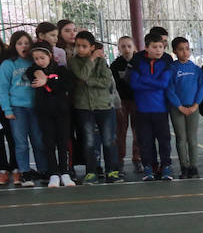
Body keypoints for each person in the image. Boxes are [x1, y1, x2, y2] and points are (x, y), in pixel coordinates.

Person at [68, 30, 119, 184]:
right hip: (84, 107)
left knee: (109, 140)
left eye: (84, 46)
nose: (80, 49)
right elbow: (82, 75)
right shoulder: (73, 61)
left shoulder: (102, 61)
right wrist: (91, 60)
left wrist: (89, 82)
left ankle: (112, 171)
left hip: (104, 106)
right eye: (78, 46)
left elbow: (106, 82)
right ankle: (91, 171)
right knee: (89, 142)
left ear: (92, 47)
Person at [126, 34, 175, 182]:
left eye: (161, 47)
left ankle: (166, 166)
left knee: (164, 140)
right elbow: (134, 84)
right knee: (145, 141)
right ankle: (149, 167)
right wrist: (154, 81)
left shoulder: (165, 61)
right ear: (147, 48)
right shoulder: (139, 61)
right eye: (154, 47)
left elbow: (164, 84)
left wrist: (144, 79)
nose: (158, 50)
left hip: (160, 110)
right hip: (142, 110)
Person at [27, 42, 76, 187]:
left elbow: (67, 85)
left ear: (50, 56)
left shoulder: (62, 70)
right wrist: (38, 72)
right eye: (36, 59)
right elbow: (30, 73)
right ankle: (53, 173)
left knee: (63, 143)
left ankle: (65, 173)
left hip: (62, 113)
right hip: (44, 114)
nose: (39, 61)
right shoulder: (34, 71)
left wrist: (48, 80)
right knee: (48, 143)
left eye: (42, 58)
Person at [0, 30, 42, 186]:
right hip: (17, 108)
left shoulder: (34, 61)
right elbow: (2, 89)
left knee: (38, 140)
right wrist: (7, 110)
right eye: (19, 43)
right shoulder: (8, 64)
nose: (23, 46)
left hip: (35, 108)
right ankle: (24, 172)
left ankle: (42, 170)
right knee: (21, 142)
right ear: (14, 46)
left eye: (26, 43)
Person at [168, 37, 203, 179]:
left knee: (192, 138)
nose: (185, 52)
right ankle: (184, 166)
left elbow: (201, 88)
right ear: (175, 51)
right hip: (177, 109)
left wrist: (196, 105)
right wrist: (179, 106)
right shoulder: (172, 69)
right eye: (181, 49)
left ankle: (193, 167)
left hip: (193, 108)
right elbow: (169, 89)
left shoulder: (196, 69)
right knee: (181, 138)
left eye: (187, 48)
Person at [110, 35, 141, 175]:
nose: (126, 49)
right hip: (122, 102)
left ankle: (137, 158)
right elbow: (114, 85)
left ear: (134, 47)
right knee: (120, 131)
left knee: (138, 131)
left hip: (138, 100)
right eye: (123, 46)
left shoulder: (140, 62)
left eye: (129, 46)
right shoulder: (115, 65)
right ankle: (119, 161)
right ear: (118, 48)